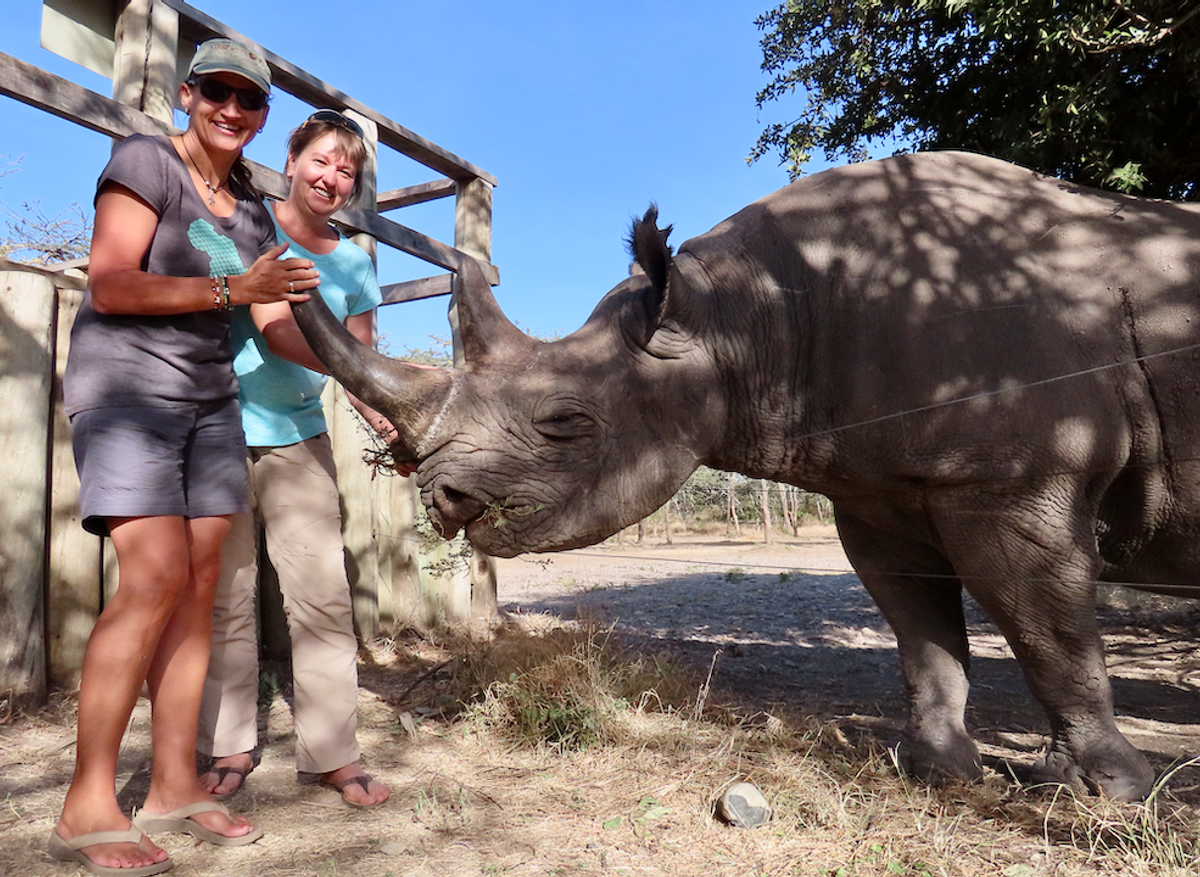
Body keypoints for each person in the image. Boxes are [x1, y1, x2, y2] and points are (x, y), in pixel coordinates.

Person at [50, 39, 315, 876]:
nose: (232, 110)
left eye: (250, 100)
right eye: (218, 93)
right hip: (128, 391)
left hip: (209, 402)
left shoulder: (248, 209)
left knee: (201, 588)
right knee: (156, 575)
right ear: (187, 94)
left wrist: (388, 384)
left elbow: (276, 325)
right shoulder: (144, 160)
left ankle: (171, 784)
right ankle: (86, 802)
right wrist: (237, 290)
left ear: (263, 116)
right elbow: (111, 284)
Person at [196, 109, 395, 809]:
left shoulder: (356, 259)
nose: (334, 177)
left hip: (299, 436)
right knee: (226, 597)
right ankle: (227, 745)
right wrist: (350, 366)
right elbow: (277, 334)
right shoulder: (250, 223)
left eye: (349, 169)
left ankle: (332, 754)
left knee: (322, 598)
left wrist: (388, 419)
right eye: (324, 159)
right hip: (216, 426)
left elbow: (362, 365)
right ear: (294, 154)